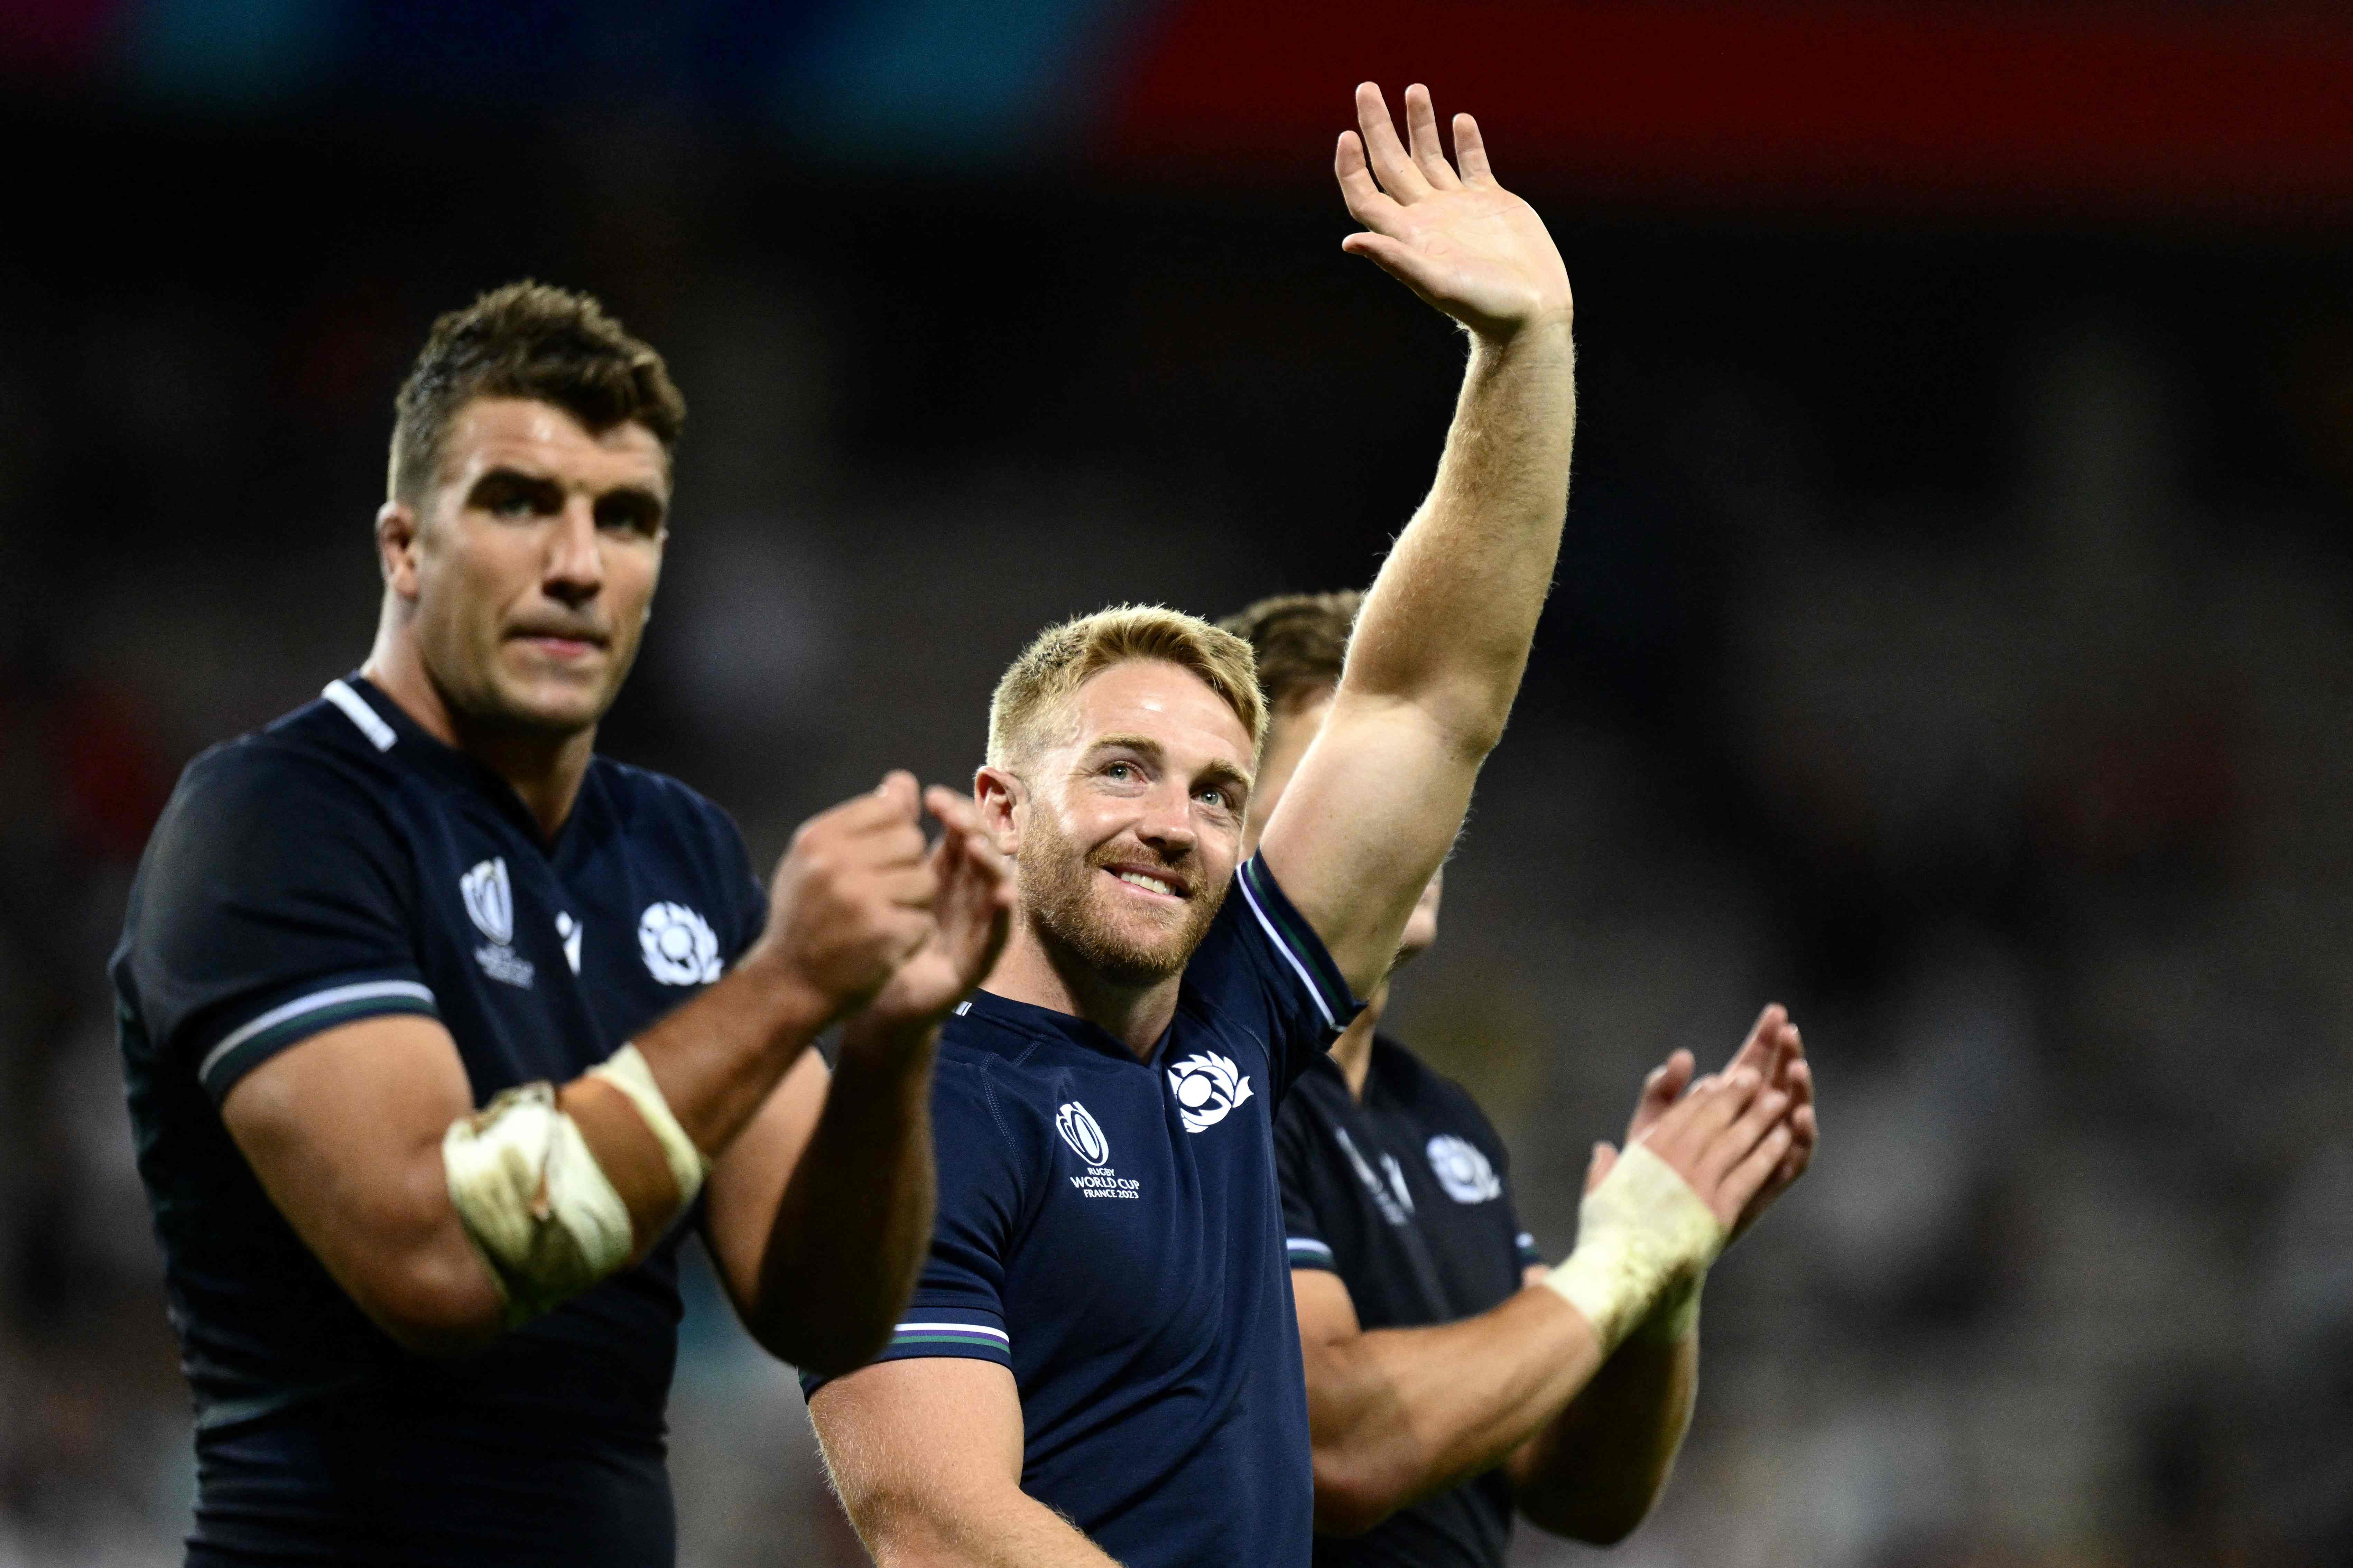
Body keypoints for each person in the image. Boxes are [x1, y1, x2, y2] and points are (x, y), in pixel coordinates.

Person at [804, 83, 1806, 1568]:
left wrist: (1526, 356)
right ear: (1002, 808)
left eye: (1220, 792)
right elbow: (936, 1521)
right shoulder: (924, 1104)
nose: (1176, 823)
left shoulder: (1229, 1034)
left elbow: (1426, 701)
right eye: (1125, 771)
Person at [110, 282, 1011, 1566]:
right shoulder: (276, 818)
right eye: (520, 503)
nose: (579, 565)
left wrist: (887, 1051)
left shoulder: (679, 847)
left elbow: (825, 1311)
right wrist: (780, 988)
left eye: (627, 519)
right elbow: (436, 1259)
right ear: (406, 546)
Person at [1223, 590, 1819, 1564]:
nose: (1411, 823)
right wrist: (1609, 1270)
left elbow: (1576, 1490)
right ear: (1236, 829)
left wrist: (1656, 1292)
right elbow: (1337, 1445)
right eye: (1354, 788)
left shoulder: (1443, 1120)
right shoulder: (1208, 1081)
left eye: (1426, 786)